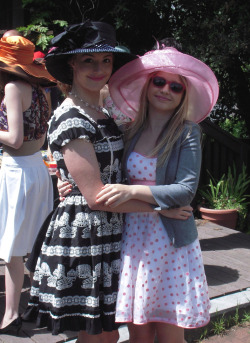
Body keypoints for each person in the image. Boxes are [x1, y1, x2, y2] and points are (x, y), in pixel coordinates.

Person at [94, 45, 219, 343]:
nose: (166, 90)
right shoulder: (130, 129)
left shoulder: (187, 132)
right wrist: (68, 182)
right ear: (147, 84)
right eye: (159, 81)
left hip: (170, 244)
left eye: (176, 86)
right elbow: (106, 172)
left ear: (183, 95)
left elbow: (185, 190)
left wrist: (131, 190)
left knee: (169, 336)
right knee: (138, 335)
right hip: (134, 240)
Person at [0, 35, 56, 334]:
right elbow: (38, 138)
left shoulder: (11, 88)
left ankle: (10, 315)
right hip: (37, 170)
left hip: (16, 172)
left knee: (12, 248)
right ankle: (43, 306)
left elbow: (14, 139)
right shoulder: (39, 89)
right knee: (36, 243)